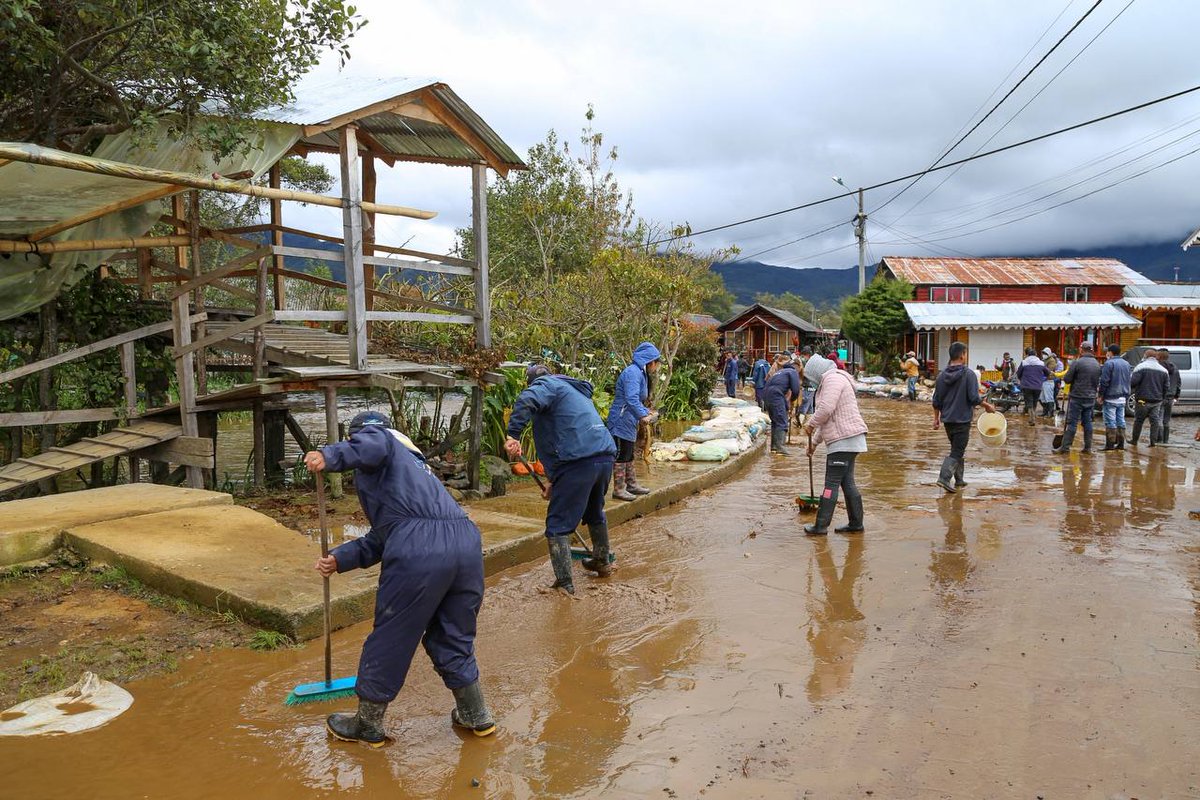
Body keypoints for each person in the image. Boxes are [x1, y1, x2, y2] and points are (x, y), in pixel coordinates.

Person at [303, 411, 495, 746]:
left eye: (356, 441)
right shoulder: (416, 467)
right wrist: (341, 558)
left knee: (392, 634)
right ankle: (476, 715)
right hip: (465, 541)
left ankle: (367, 724)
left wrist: (330, 455)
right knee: (453, 634)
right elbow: (389, 534)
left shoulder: (382, 441)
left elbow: (408, 530)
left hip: (420, 548)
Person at [505, 364, 617, 594]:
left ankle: (564, 584)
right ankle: (602, 561)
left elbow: (528, 399)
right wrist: (555, 482)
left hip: (578, 461)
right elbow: (565, 433)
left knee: (557, 525)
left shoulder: (546, 385)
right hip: (603, 457)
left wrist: (512, 435)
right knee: (595, 511)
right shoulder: (572, 390)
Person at [801, 355, 868, 535]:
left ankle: (820, 526)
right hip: (849, 440)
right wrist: (813, 445)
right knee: (847, 483)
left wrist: (810, 423)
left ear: (816, 373)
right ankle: (856, 523)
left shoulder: (832, 379)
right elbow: (827, 420)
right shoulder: (834, 379)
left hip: (843, 441)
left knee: (831, 484)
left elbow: (826, 409)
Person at [932, 342, 996, 494]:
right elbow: (974, 398)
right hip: (962, 420)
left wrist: (936, 419)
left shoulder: (941, 376)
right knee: (957, 451)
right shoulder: (969, 374)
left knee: (957, 449)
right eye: (966, 354)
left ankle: (959, 479)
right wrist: (987, 406)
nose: (966, 356)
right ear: (962, 355)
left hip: (947, 420)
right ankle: (944, 478)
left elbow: (936, 401)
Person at [607, 342, 661, 502]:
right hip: (620, 420)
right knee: (621, 454)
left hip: (629, 419)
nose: (657, 367)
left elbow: (637, 399)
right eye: (657, 363)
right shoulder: (632, 373)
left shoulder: (640, 373)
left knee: (629, 453)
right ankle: (619, 489)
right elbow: (630, 399)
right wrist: (643, 416)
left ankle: (631, 484)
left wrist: (645, 412)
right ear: (650, 361)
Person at [1054, 341, 1101, 454]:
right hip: (1090, 397)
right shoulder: (1096, 364)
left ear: (1081, 349)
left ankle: (1065, 448)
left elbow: (1067, 379)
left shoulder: (1077, 363)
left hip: (1077, 397)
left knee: (1072, 422)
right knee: (1087, 422)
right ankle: (1087, 447)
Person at [763, 352, 801, 455]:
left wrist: (787, 405)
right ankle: (780, 447)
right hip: (776, 394)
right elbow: (796, 390)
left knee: (775, 421)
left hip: (766, 394)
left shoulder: (780, 372)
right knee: (782, 421)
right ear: (796, 366)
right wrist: (793, 400)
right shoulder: (792, 372)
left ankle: (774, 447)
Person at [1129, 350, 1168, 447]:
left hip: (1142, 400)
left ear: (1146, 356)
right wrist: (1161, 397)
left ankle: (1134, 440)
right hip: (1157, 401)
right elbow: (1166, 386)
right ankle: (1153, 442)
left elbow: (1132, 382)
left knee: (1138, 421)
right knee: (1154, 422)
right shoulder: (1164, 370)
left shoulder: (1140, 367)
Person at [1097, 343, 1132, 451]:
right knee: (1121, 420)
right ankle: (1121, 444)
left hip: (1111, 396)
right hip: (1123, 396)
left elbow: (1104, 381)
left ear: (1110, 352)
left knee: (1110, 421)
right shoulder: (1126, 364)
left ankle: (1110, 445)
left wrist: (1101, 395)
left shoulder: (1109, 363)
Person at [1016, 347, 1050, 426]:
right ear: (1036, 354)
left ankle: (1032, 419)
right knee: (1034, 402)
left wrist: (1022, 379)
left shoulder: (1024, 362)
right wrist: (1042, 378)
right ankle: (1033, 417)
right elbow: (1047, 373)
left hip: (1027, 386)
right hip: (1037, 386)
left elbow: (1018, 373)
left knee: (1029, 402)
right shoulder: (1041, 363)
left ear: (1027, 354)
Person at [1157, 348, 1181, 443]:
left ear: (1159, 356)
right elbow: (1179, 383)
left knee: (1158, 418)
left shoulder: (1158, 368)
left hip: (1160, 397)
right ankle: (1165, 440)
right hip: (1171, 397)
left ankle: (1159, 440)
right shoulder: (1175, 367)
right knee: (1166, 420)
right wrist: (1176, 395)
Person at [1041, 347, 1061, 415]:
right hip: (1042, 380)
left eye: (1045, 353)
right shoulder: (1043, 360)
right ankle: (1045, 412)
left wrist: (1042, 369)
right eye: (1043, 353)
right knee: (1042, 397)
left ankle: (1051, 412)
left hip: (1049, 380)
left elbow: (1049, 370)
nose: (1043, 354)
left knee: (1049, 397)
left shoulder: (1051, 360)